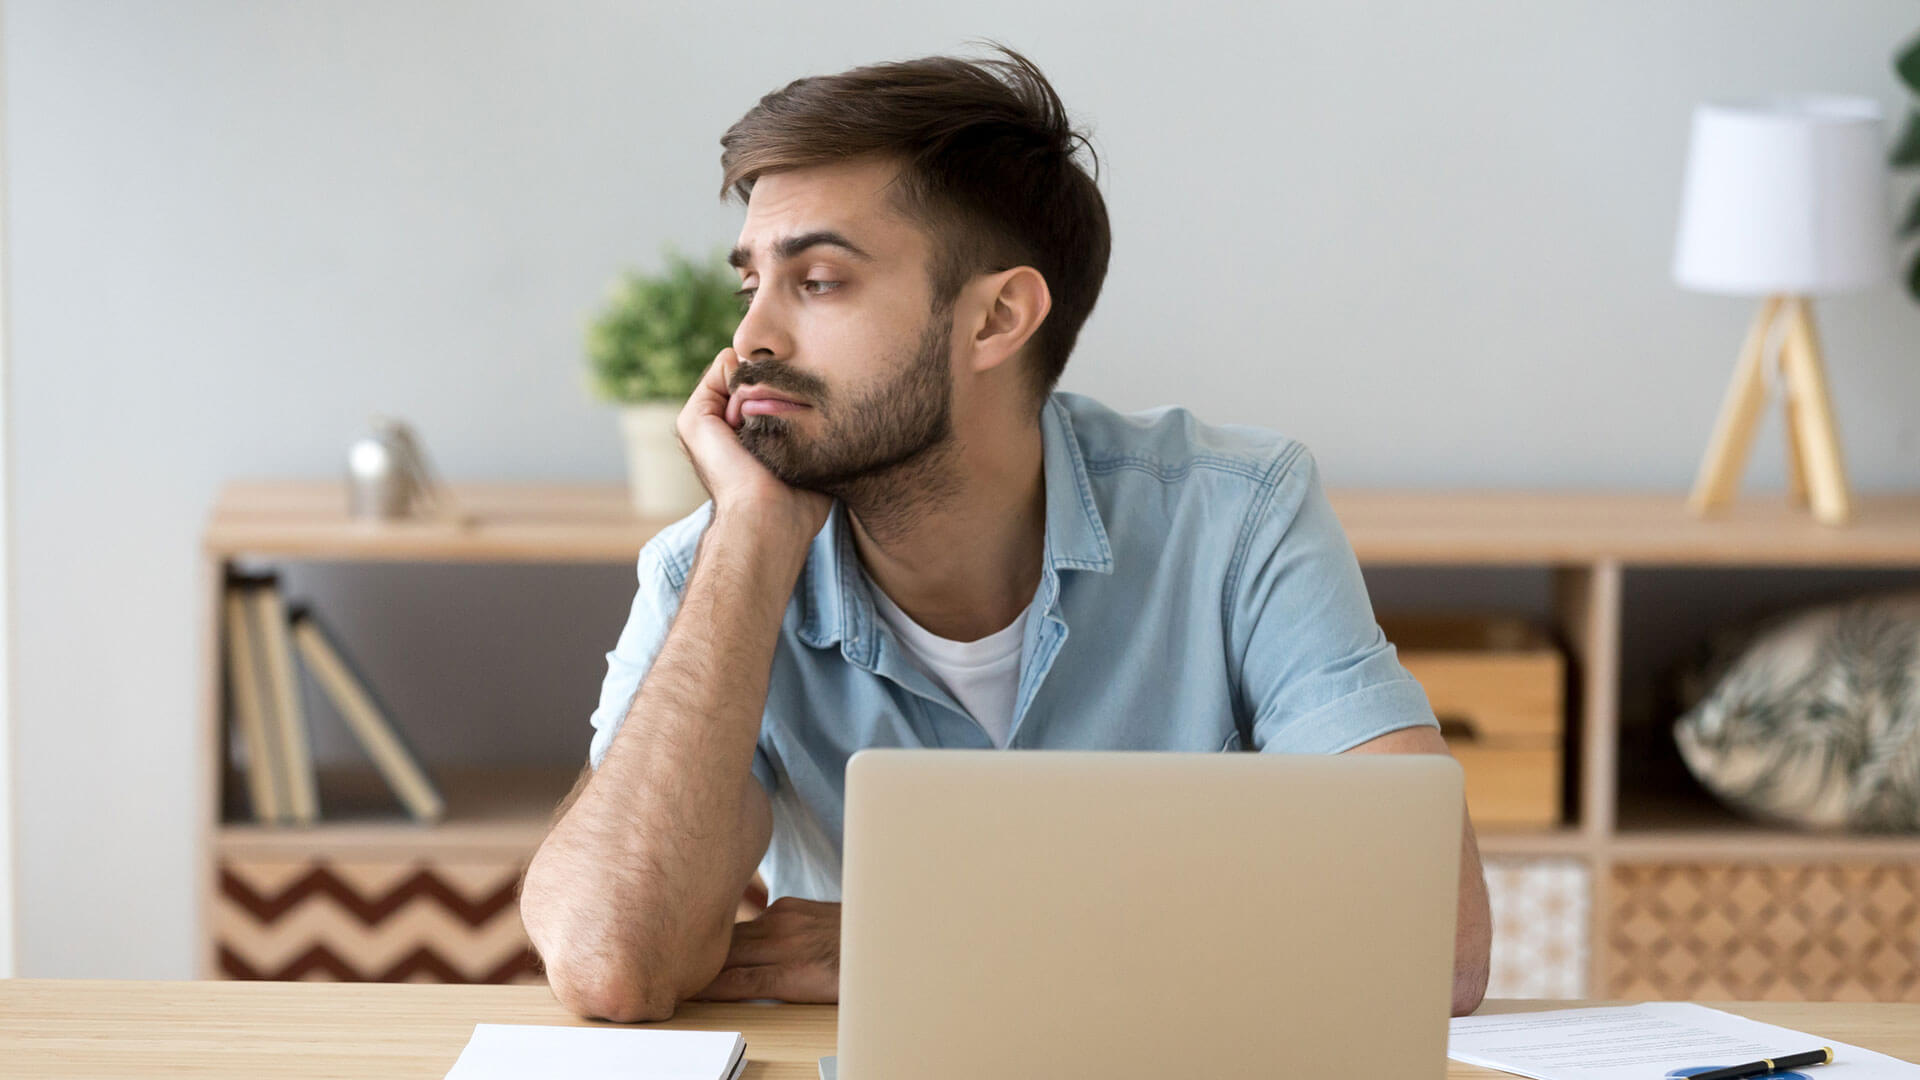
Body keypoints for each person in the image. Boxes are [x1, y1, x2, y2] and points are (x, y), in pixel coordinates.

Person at [519, 43, 1492, 1024]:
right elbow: (610, 960)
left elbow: (1430, 945)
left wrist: (929, 943)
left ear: (995, 319)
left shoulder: (1235, 518)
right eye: (750, 287)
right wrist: (750, 541)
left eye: (817, 281)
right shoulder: (716, 563)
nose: (750, 341)